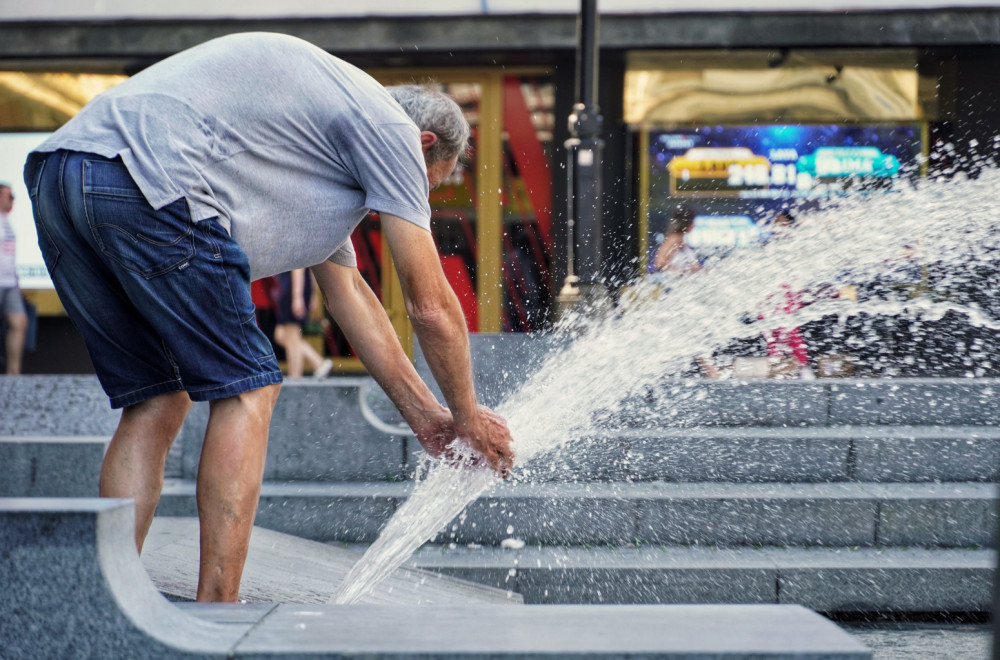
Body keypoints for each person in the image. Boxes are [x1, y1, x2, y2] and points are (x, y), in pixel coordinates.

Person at [23, 32, 514, 602]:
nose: (415, 200)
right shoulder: (390, 130)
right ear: (423, 143)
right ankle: (218, 610)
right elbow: (430, 306)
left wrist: (428, 418)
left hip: (60, 177)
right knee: (250, 389)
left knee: (158, 398)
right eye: (429, 184)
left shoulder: (325, 136)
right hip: (148, 177)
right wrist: (468, 417)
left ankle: (103, 599)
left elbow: (351, 294)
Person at [272, 268, 333, 378]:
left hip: (293, 288)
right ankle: (317, 362)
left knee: (292, 337)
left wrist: (297, 297)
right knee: (280, 335)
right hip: (295, 286)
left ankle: (296, 376)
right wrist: (312, 294)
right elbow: (310, 268)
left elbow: (298, 266)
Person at [0, 181, 28, 375]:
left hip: (9, 281)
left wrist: (17, 280)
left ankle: (13, 374)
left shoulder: (6, 220)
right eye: (9, 196)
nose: (12, 200)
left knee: (19, 321)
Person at [652, 204, 702, 274]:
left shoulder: (682, 240)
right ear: (686, 223)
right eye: (693, 222)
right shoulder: (674, 239)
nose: (694, 225)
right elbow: (659, 263)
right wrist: (684, 270)